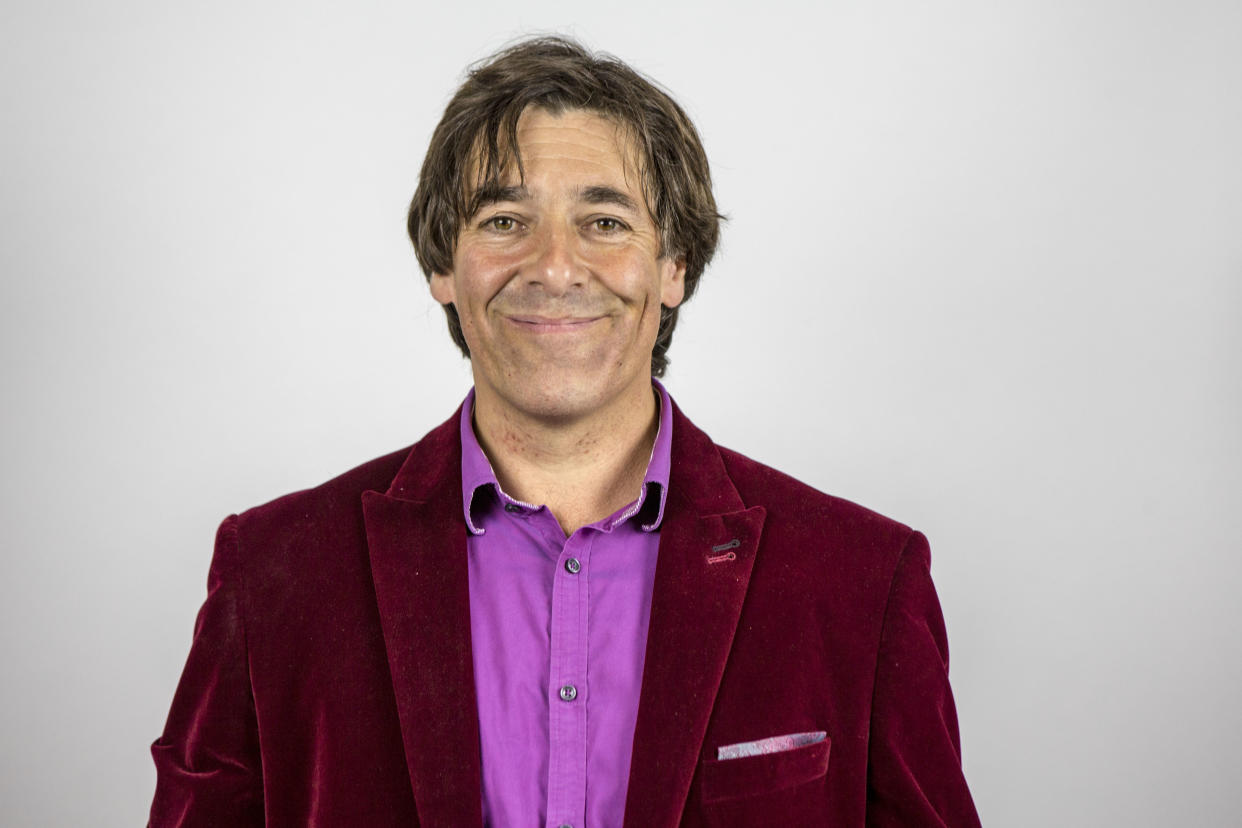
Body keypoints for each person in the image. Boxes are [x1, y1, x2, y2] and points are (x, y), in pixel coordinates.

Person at [149, 36, 982, 828]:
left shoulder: (862, 582)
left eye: (606, 221)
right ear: (444, 265)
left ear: (674, 267)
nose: (553, 265)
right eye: (505, 220)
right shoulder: (276, 575)